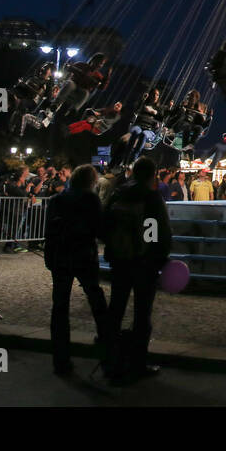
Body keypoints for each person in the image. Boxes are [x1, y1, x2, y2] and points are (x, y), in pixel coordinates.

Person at [99, 157, 172, 384]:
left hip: (120, 259)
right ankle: (138, 363)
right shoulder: (151, 197)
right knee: (142, 314)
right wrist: (158, 256)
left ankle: (109, 361)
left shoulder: (118, 194)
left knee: (116, 309)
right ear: (153, 175)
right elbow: (156, 230)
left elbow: (104, 225)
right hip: (144, 262)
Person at [44, 164, 109, 376]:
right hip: (83, 255)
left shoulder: (57, 200)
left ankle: (60, 359)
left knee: (60, 306)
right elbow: (100, 229)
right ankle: (107, 348)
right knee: (96, 299)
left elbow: (50, 232)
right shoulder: (90, 199)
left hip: (61, 256)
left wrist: (50, 257)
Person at [50, 53, 112, 118]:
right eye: (99, 62)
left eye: (102, 64)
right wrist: (69, 65)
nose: (99, 65)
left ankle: (73, 110)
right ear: (93, 60)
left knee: (85, 93)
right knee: (70, 84)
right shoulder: (81, 65)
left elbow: (102, 87)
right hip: (74, 84)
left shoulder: (98, 76)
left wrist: (107, 76)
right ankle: (56, 104)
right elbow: (68, 68)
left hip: (82, 90)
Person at [123, 87, 166, 164]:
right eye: (154, 94)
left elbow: (162, 118)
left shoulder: (159, 108)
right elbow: (136, 109)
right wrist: (143, 100)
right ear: (150, 95)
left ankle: (132, 161)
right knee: (135, 132)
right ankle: (125, 159)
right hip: (139, 125)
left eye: (157, 95)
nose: (155, 96)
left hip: (149, 129)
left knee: (143, 135)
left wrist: (153, 112)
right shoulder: (144, 104)